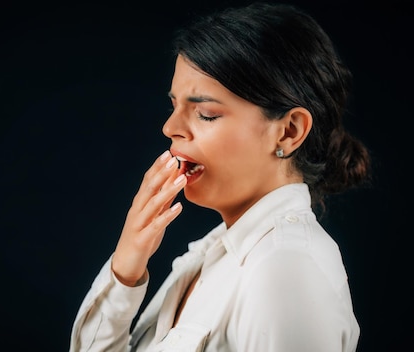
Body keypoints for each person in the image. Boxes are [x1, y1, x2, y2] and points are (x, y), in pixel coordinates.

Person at [69, 1, 372, 351]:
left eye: (206, 114)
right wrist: (125, 269)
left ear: (289, 132)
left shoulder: (285, 270)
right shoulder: (208, 255)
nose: (170, 127)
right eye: (174, 106)